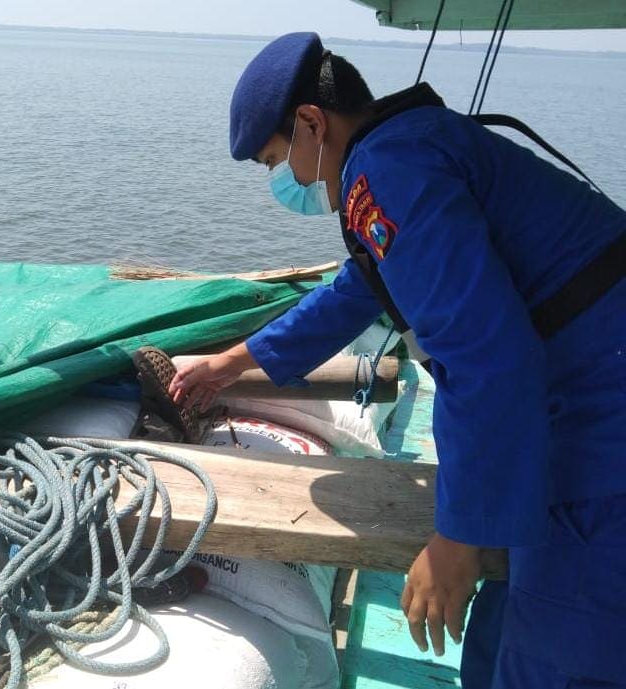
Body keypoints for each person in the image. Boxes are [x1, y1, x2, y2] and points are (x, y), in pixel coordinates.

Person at [170, 32, 626, 689]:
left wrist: (456, 539)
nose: (289, 180)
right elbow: (357, 292)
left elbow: (487, 356)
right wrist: (231, 363)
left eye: (278, 160)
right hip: (575, 390)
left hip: (600, 417)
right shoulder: (405, 146)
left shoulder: (386, 173)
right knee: (503, 628)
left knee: (561, 649)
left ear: (310, 123)